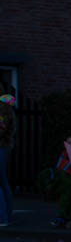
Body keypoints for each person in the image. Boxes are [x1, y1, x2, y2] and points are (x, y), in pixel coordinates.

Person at [0, 92, 15, 227]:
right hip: (4, 147)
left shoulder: (3, 112)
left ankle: (3, 217)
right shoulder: (7, 110)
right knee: (3, 182)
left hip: (1, 147)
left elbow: (1, 130)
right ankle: (7, 216)